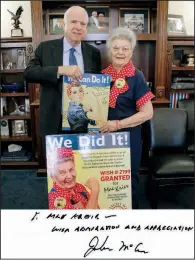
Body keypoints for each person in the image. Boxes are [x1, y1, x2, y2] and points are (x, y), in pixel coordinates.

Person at [24, 6, 101, 154]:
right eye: (73, 22)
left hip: (83, 124)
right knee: (57, 173)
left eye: (83, 24)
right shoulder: (45, 48)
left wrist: (95, 123)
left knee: (82, 170)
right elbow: (29, 73)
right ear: (64, 24)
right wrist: (60, 70)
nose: (78, 27)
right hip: (53, 123)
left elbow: (96, 88)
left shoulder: (94, 53)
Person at [100, 27, 155, 209]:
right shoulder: (100, 77)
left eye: (125, 48)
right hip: (104, 137)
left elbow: (147, 113)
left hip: (129, 137)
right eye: (116, 48)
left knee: (127, 180)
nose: (120, 52)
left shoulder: (137, 76)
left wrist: (117, 124)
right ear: (110, 51)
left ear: (131, 52)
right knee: (106, 178)